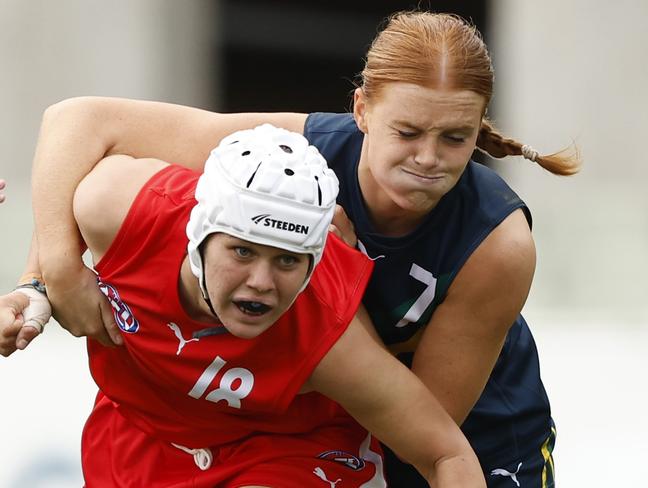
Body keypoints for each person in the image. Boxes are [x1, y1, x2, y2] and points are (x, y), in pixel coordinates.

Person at [18, 10, 580, 488]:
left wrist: (337, 273)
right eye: (406, 132)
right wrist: (52, 277)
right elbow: (76, 123)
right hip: (327, 402)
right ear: (361, 111)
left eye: (454, 138)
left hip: (472, 435)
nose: (428, 158)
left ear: (478, 129)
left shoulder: (497, 244)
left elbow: (418, 432)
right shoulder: (286, 161)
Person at [1, 124, 486, 487]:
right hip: (137, 437)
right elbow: (67, 144)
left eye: (287, 261)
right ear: (198, 236)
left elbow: (448, 456)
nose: (261, 284)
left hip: (285, 453)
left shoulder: (327, 338)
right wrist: (41, 284)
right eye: (243, 251)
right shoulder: (120, 207)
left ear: (314, 263)